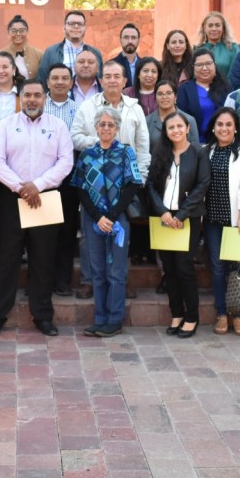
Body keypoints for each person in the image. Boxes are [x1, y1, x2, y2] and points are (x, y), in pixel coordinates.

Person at [0, 80, 74, 337]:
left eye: (37, 95)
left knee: (43, 259)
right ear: (21, 98)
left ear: (45, 98)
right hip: (11, 200)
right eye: (28, 95)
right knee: (7, 258)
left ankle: (43, 316)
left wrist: (38, 185)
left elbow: (65, 162)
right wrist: (21, 187)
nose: (32, 99)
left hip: (44, 198)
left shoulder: (57, 126)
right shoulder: (5, 125)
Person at [71, 108, 144, 338]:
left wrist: (111, 216)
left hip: (117, 219)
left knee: (116, 271)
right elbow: (80, 188)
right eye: (102, 124)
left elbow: (133, 184)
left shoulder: (125, 153)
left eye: (110, 125)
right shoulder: (86, 155)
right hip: (93, 219)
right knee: (98, 271)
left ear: (117, 128)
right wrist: (98, 216)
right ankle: (100, 318)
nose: (105, 128)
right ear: (96, 127)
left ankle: (114, 320)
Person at [146, 111, 210, 339]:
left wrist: (181, 215)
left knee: (184, 268)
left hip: (188, 218)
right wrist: (163, 212)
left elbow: (202, 185)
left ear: (187, 128)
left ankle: (191, 317)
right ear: (166, 131)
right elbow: (151, 185)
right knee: (169, 269)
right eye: (170, 128)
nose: (175, 131)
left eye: (179, 127)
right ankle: (176, 313)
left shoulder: (199, 153)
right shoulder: (160, 152)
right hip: (164, 217)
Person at [202, 108, 240, 337]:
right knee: (217, 267)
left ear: (236, 127)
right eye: (219, 124)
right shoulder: (208, 150)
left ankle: (238, 316)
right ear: (213, 127)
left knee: (239, 268)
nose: (223, 128)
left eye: (228, 124)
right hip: (214, 219)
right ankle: (222, 313)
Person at [42, 63, 80, 296]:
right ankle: (42, 281)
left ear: (71, 82)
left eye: (64, 78)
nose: (59, 82)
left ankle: (62, 280)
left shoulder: (79, 109)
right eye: (55, 78)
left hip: (69, 178)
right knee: (41, 232)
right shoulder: (38, 105)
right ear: (47, 82)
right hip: (42, 178)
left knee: (67, 231)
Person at [38, 10, 104, 86]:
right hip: (60, 97)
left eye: (80, 24)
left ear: (85, 28)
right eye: (71, 23)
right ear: (64, 28)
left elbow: (101, 80)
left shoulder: (95, 53)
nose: (76, 26)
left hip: (89, 97)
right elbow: (42, 80)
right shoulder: (51, 52)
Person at [177, 49, 231, 134]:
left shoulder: (226, 88)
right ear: (193, 67)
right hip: (195, 141)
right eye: (199, 65)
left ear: (215, 65)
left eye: (208, 64)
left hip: (222, 139)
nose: (204, 68)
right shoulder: (184, 90)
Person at [147, 80, 200, 151]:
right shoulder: (147, 121)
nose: (164, 97)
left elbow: (195, 150)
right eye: (160, 94)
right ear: (155, 98)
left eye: (169, 93)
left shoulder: (189, 120)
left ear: (175, 97)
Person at [195, 11, 240, 80]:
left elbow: (235, 73)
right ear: (204, 28)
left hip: (227, 89)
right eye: (210, 25)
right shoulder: (197, 49)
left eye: (217, 25)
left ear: (223, 28)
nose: (214, 29)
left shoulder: (233, 48)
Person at [0, 14, 43, 80]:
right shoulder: (0, 54)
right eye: (14, 31)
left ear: (28, 33)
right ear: (8, 34)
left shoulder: (38, 54)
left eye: (22, 30)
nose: (18, 34)